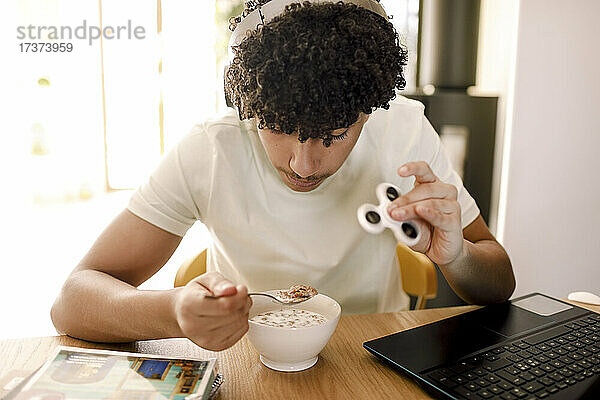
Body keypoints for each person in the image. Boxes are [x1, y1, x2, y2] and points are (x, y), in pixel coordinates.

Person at [51, 0, 515, 352]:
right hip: (246, 360)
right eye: (278, 128)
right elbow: (72, 301)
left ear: (368, 111)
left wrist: (456, 258)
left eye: (333, 134)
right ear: (252, 106)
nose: (303, 165)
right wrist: (172, 311)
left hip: (370, 357)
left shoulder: (404, 129)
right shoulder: (211, 150)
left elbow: (499, 281)